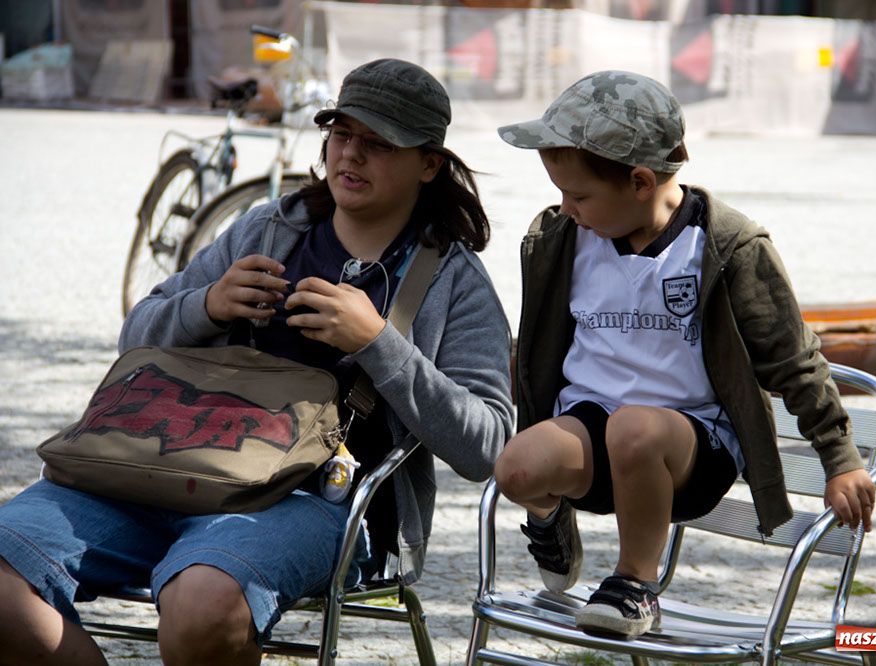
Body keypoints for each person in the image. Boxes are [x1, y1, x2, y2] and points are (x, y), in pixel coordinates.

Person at [0, 58, 514, 665]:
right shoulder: (268, 228)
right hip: (161, 470)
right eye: (342, 134)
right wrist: (207, 306)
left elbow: (487, 445)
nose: (351, 156)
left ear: (429, 163)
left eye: (379, 144)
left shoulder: (454, 279)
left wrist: (378, 343)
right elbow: (134, 335)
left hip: (320, 502)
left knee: (201, 604)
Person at [492, 70, 876, 639]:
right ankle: (553, 523)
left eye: (579, 196)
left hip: (691, 448)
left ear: (642, 182)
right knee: (516, 468)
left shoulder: (726, 246)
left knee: (635, 430)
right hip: (594, 432)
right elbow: (540, 347)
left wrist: (840, 458)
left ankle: (635, 586)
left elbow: (793, 358)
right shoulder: (565, 239)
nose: (567, 208)